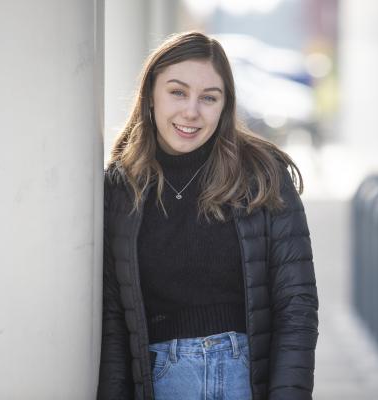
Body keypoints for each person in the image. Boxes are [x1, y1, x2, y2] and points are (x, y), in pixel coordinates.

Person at [98, 31, 319, 400]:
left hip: (245, 379)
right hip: (162, 381)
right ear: (151, 95)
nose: (191, 111)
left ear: (225, 105)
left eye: (209, 98)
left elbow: (297, 305)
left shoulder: (262, 175)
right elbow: (113, 321)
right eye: (177, 92)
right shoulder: (121, 189)